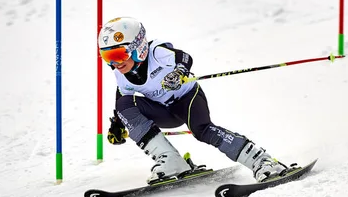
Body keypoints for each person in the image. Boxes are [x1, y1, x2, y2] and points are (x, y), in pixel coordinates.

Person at [98, 16, 287, 184]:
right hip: (163, 111)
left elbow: (184, 57)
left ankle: (262, 161)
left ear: (137, 48)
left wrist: (179, 71)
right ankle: (171, 160)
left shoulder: (156, 52)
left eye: (117, 55)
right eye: (107, 57)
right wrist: (118, 123)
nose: (115, 63)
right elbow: (123, 98)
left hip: (187, 99)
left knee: (202, 131)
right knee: (123, 104)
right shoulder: (120, 73)